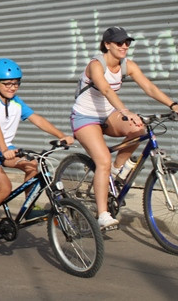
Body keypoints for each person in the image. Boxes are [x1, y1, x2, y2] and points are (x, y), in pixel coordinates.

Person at [70, 26, 178, 231]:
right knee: (102, 161)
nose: (124, 46)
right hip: (84, 117)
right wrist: (126, 111)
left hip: (109, 115)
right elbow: (105, 89)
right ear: (107, 45)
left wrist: (172, 105)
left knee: (139, 129)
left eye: (127, 42)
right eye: (119, 43)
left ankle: (118, 170)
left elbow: (149, 87)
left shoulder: (128, 65)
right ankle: (102, 214)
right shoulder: (96, 64)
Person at [0, 58, 75, 240]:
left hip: (4, 148)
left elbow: (38, 119)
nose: (12, 87)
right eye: (7, 83)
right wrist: (4, 150)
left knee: (34, 165)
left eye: (16, 83)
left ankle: (30, 206)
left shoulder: (17, 103)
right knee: (5, 188)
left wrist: (61, 135)